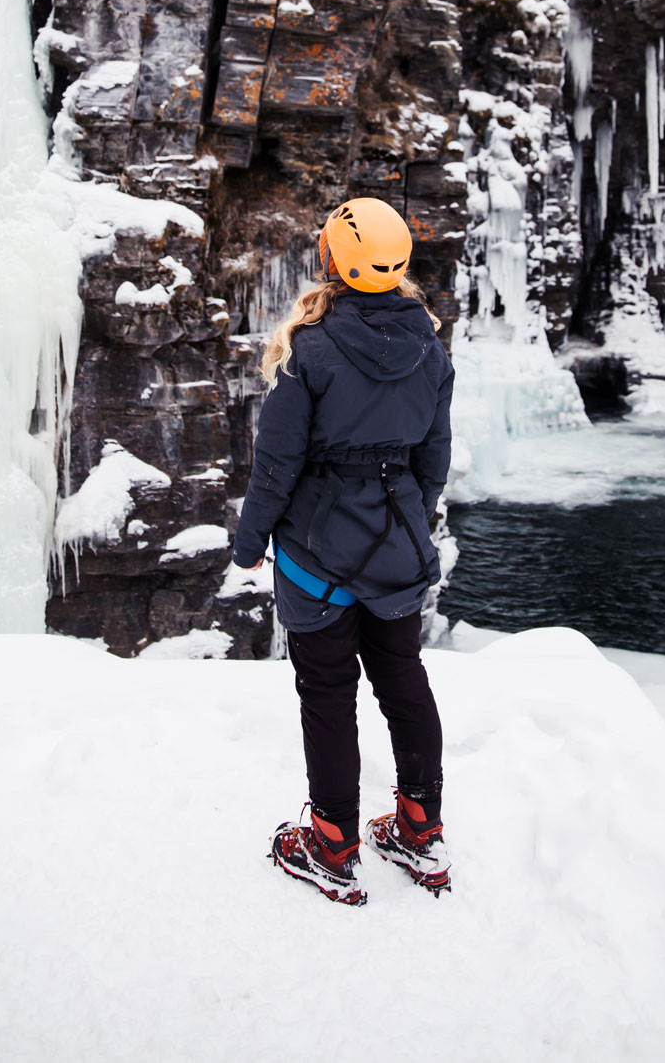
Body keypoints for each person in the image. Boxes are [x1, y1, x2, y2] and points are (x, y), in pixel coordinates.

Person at [231, 197, 455, 906]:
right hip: (397, 545)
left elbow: (277, 465)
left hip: (317, 554)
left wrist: (249, 543)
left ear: (331, 260)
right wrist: (410, 519)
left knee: (328, 697)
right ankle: (420, 835)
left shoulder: (311, 348)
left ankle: (332, 846)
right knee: (403, 681)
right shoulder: (430, 343)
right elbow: (433, 455)